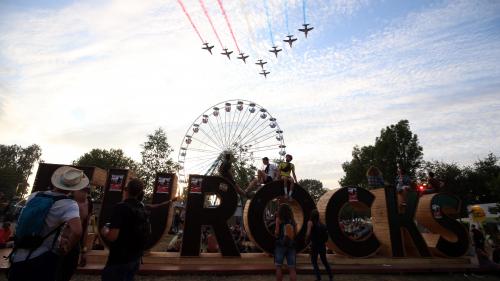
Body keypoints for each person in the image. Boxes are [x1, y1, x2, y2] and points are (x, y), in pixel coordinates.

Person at [8, 166, 85, 281]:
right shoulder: (68, 204)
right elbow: (77, 231)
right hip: (43, 258)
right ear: (73, 188)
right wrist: (67, 247)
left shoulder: (35, 195)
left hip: (18, 255)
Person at [101, 178, 148, 281]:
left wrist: (104, 231)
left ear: (126, 190)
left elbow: (113, 236)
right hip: (135, 258)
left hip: (119, 260)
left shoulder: (121, 207)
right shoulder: (142, 209)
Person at [58, 187, 93, 281]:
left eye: (87, 191)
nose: (85, 193)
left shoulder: (89, 204)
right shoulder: (65, 201)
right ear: (74, 190)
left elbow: (84, 228)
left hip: (75, 244)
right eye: (82, 190)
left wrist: (84, 250)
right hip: (59, 242)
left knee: (67, 272)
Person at [305, 209, 333, 281]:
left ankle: (318, 278)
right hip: (322, 245)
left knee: (314, 262)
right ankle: (330, 276)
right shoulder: (321, 224)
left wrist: (306, 240)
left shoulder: (310, 222)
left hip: (314, 245)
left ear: (311, 215)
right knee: (324, 261)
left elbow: (308, 233)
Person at [274, 203, 297, 281]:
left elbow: (277, 232)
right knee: (292, 268)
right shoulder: (292, 220)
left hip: (281, 244)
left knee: (278, 267)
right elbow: (295, 233)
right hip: (291, 245)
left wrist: (276, 234)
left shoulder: (278, 219)